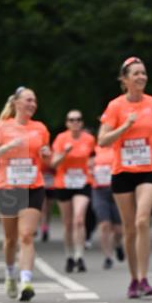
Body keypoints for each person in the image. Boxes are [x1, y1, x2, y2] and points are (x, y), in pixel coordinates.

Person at [98, 56, 152, 298]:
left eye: (143, 73)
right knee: (129, 228)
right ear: (125, 79)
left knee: (142, 220)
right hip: (122, 171)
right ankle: (133, 278)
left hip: (147, 170)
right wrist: (124, 127)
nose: (141, 77)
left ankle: (145, 278)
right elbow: (102, 140)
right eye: (136, 73)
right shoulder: (115, 106)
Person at [0, 86, 51, 302]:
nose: (33, 104)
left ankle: (26, 281)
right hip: (9, 188)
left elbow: (47, 159)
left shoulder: (40, 128)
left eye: (35, 101)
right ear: (16, 103)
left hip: (33, 186)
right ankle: (10, 273)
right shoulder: (2, 128)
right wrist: (8, 146)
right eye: (29, 100)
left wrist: (47, 154)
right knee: (11, 239)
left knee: (26, 235)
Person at [50, 110, 95, 272]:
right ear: (67, 123)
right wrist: (64, 153)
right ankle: (69, 256)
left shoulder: (89, 139)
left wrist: (93, 164)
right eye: (71, 120)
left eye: (78, 119)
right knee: (68, 224)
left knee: (79, 220)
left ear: (82, 122)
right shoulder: (61, 139)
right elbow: (53, 164)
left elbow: (92, 157)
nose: (75, 122)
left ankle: (79, 256)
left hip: (83, 182)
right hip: (64, 184)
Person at [90, 141, 124, 270]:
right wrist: (90, 166)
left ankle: (118, 244)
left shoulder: (119, 145)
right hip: (99, 191)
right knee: (104, 225)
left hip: (116, 190)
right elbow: (85, 163)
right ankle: (108, 257)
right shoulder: (94, 149)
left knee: (119, 230)